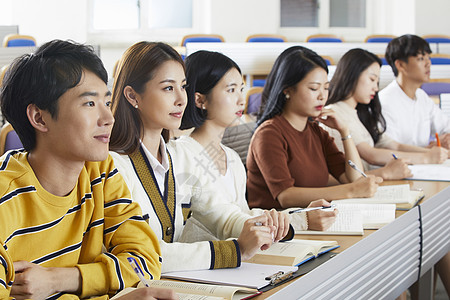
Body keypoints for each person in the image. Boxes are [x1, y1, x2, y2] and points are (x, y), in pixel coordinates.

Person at [0, 40, 175, 299]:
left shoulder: (99, 171)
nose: (108, 118)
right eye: (90, 104)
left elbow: (146, 261)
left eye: (107, 101)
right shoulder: (5, 195)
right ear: (39, 118)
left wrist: (60, 279)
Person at [109, 42, 276, 274]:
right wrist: (235, 250)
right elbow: (144, 253)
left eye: (183, 86)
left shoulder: (179, 156)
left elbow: (220, 214)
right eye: (168, 88)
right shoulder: (113, 166)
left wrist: (257, 227)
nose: (181, 99)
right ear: (132, 96)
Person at [168, 50, 336, 237]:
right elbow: (227, 224)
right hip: (210, 261)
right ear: (200, 99)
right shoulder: (181, 155)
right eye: (231, 90)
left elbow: (244, 217)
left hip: (239, 260)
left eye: (241, 89)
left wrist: (301, 215)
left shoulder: (231, 157)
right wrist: (300, 221)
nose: (241, 100)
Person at [246, 46, 382, 210]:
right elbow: (286, 197)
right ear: (287, 90)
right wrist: (351, 191)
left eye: (325, 88)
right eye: (313, 88)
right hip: (279, 228)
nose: (322, 96)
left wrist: (345, 132)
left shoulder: (317, 132)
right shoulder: (268, 134)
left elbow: (352, 178)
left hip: (313, 220)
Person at [324, 48, 447, 180]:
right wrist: (427, 157)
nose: (376, 88)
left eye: (377, 82)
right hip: (359, 184)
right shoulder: (336, 113)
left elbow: (394, 145)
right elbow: (370, 155)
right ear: (352, 75)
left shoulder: (361, 113)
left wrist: (434, 153)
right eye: (372, 79)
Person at [379, 34, 450, 149]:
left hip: (424, 164)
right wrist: (430, 149)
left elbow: (446, 127)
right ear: (401, 65)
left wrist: (446, 139)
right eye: (421, 59)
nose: (428, 64)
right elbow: (391, 151)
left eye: (429, 58)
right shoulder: (385, 102)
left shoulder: (421, 96)